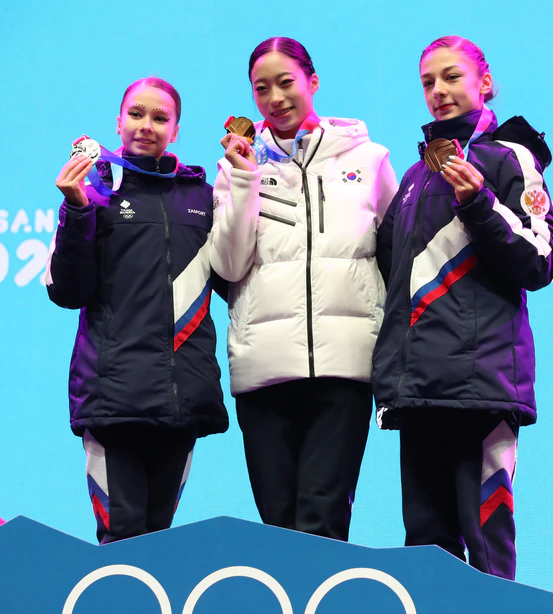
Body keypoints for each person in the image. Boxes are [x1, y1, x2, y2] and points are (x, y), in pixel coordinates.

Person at [372, 35, 553, 579]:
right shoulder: (414, 177)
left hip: (482, 391)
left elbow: (541, 259)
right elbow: (393, 276)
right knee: (425, 555)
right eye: (428, 82)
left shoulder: (510, 159)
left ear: (486, 82)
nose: (438, 90)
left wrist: (478, 202)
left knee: (487, 553)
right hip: (418, 391)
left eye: (452, 76)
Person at [210, 37, 398, 541]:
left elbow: (396, 258)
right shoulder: (235, 168)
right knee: (278, 527)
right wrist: (244, 180)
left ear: (312, 82)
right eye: (261, 88)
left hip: (344, 369)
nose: (275, 98)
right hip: (264, 371)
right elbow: (227, 267)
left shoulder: (370, 160)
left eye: (286, 82)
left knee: (323, 522)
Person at [47, 77, 228, 544]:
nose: (147, 125)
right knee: (122, 540)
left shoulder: (200, 196)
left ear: (176, 130)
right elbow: (68, 290)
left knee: (159, 542)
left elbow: (232, 277)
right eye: (136, 114)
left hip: (181, 398)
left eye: (160, 117)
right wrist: (76, 209)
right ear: (118, 122)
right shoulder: (93, 189)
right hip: (113, 398)